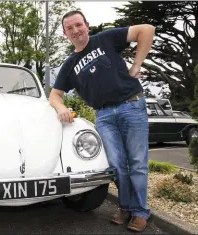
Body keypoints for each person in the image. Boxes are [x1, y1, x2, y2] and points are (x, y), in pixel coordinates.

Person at [49, 10, 155, 232]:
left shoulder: (106, 39)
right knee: (116, 165)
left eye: (79, 25)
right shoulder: (69, 64)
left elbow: (146, 30)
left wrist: (136, 65)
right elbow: (54, 94)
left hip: (132, 105)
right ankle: (125, 207)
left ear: (87, 25)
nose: (76, 30)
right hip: (104, 116)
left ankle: (140, 212)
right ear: (65, 33)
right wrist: (61, 108)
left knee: (137, 163)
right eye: (70, 28)